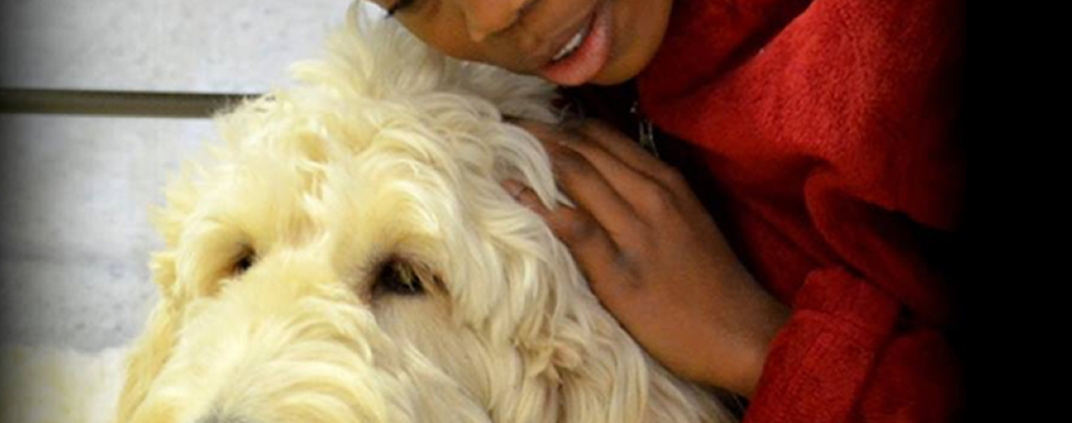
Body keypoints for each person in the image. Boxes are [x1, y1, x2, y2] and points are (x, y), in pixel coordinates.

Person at [369, 0, 966, 421]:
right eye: (414, 0)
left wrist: (762, 349)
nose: (495, 12)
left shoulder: (911, 54)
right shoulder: (486, 106)